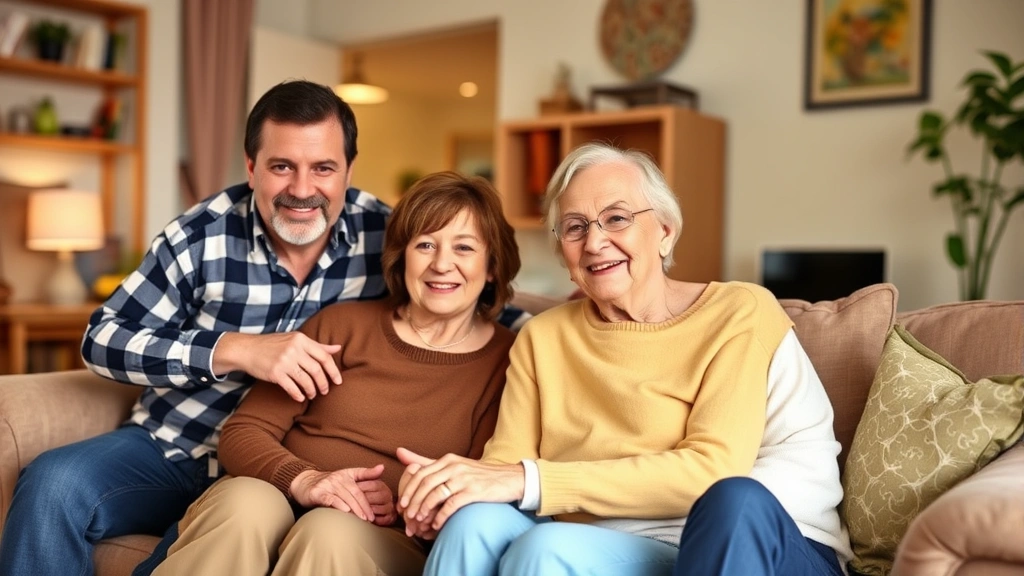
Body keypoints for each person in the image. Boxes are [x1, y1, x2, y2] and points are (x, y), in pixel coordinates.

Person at [0, 80, 525, 576]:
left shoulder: (387, 233)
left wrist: (578, 316)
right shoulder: (201, 235)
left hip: (276, 468)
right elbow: (102, 339)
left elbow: (464, 296)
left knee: (259, 519)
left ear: (347, 169)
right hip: (177, 446)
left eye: (323, 167)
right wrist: (231, 350)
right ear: (251, 167)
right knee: (54, 483)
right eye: (281, 166)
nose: (302, 189)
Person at [397, 142, 854, 576]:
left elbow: (713, 469)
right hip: (601, 542)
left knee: (550, 546)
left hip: (752, 543)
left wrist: (528, 481)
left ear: (665, 231)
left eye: (616, 218)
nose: (594, 242)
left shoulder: (738, 313)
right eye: (575, 227)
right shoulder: (543, 337)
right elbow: (503, 474)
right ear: (564, 253)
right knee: (473, 524)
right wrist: (444, 496)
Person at [150, 171, 520, 575]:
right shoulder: (343, 326)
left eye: (463, 247)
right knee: (244, 504)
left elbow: (481, 482)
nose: (441, 264)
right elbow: (243, 432)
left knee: (329, 530)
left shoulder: (507, 360)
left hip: (383, 534)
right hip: (280, 492)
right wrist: (306, 479)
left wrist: (400, 501)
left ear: (491, 267)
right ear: (403, 256)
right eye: (426, 245)